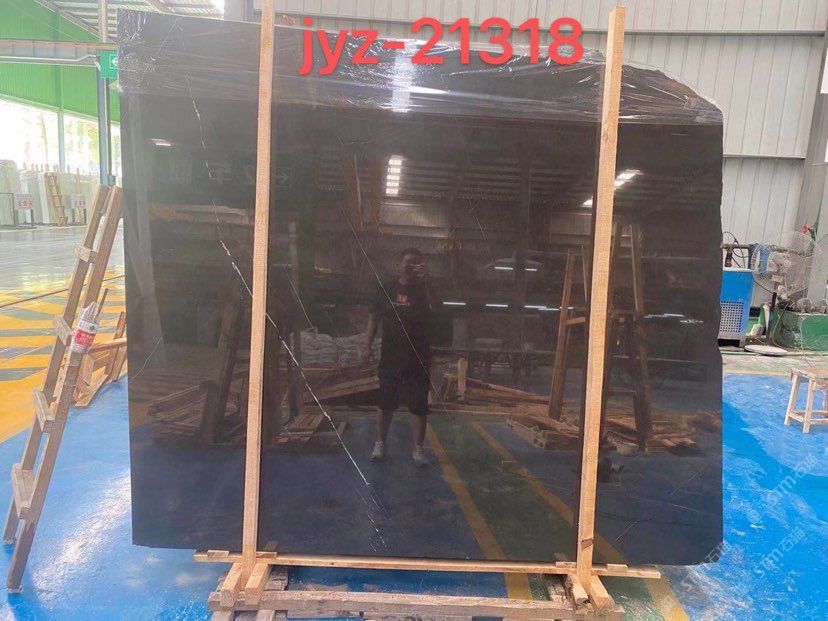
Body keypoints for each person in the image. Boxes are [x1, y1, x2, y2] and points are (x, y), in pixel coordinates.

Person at [362, 247, 433, 466]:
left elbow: (437, 310)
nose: (411, 266)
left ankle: (418, 449)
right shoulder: (387, 289)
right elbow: (374, 318)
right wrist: (367, 345)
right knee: (386, 401)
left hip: (418, 356)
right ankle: (380, 444)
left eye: (416, 262)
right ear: (399, 265)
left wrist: (427, 280)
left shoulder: (426, 289)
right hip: (391, 354)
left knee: (419, 403)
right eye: (408, 262)